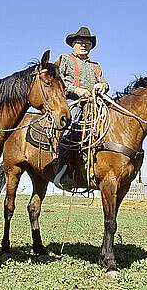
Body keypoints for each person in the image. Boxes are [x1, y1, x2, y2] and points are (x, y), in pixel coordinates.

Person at [53, 26, 109, 189]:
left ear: (91, 46)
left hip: (96, 105)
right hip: (73, 103)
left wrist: (103, 86)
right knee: (72, 130)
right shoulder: (65, 59)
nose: (83, 45)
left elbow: (104, 81)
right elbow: (58, 82)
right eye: (79, 42)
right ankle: (65, 170)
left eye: (87, 42)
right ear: (73, 45)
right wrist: (76, 90)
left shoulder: (96, 66)